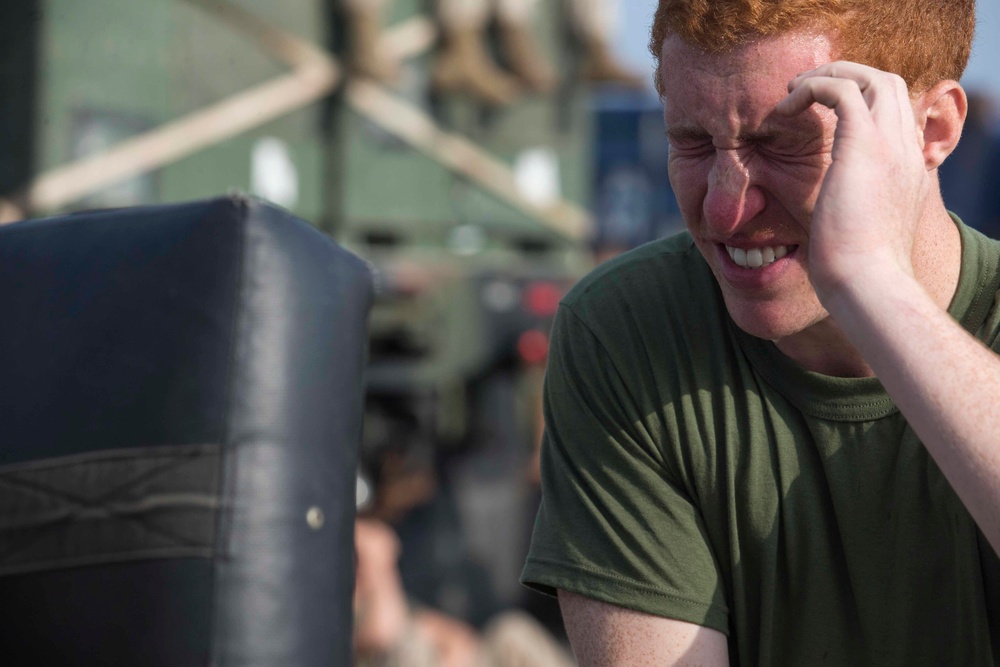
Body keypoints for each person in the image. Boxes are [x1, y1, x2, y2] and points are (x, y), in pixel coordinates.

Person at [520, 0, 1000, 664]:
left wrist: (869, 283)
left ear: (932, 130)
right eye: (691, 141)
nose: (724, 205)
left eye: (784, 143)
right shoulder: (632, 334)